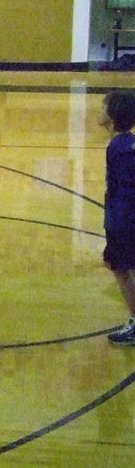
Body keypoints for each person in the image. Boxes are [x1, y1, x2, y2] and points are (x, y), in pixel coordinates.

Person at [98, 89, 135, 343]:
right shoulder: (127, 143)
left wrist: (115, 223)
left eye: (103, 107)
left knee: (120, 269)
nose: (98, 111)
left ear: (112, 116)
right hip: (124, 217)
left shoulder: (118, 148)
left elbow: (124, 189)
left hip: (123, 220)